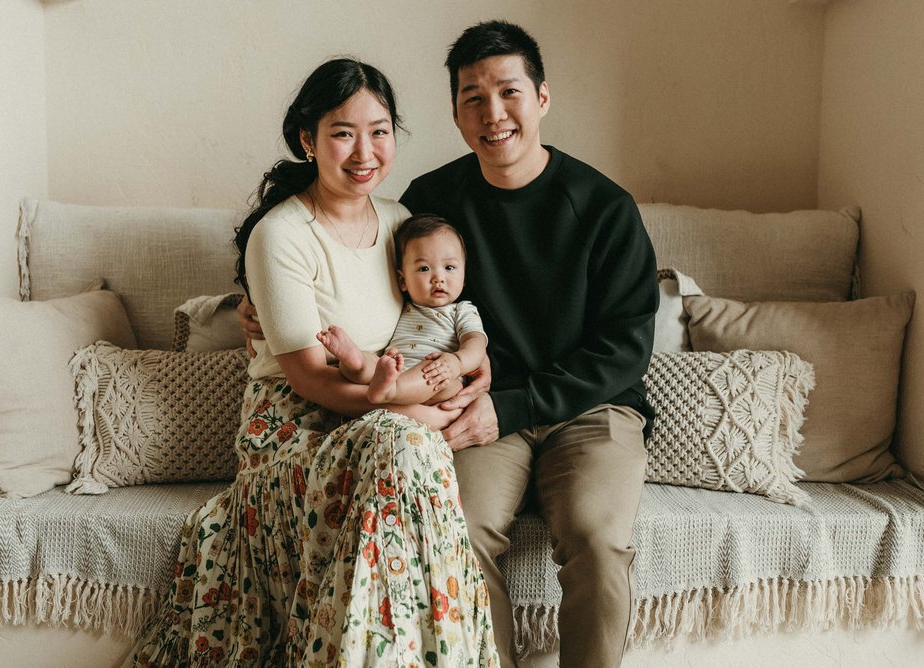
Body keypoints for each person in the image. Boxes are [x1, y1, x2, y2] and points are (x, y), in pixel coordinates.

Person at [239, 22, 658, 667]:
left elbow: (625, 350)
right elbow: (337, 254)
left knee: (597, 539)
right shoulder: (430, 202)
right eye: (472, 98)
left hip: (588, 407)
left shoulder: (604, 206)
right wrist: (252, 304)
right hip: (472, 408)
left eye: (508, 92)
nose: (493, 115)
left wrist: (513, 406)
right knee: (454, 532)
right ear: (455, 112)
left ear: (542, 97)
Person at [128, 58, 498, 667]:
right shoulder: (281, 235)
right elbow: (306, 376)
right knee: (404, 450)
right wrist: (409, 411)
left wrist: (465, 371)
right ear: (309, 140)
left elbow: (444, 321)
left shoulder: (404, 224)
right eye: (343, 132)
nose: (365, 151)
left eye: (379, 131)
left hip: (382, 413)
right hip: (294, 429)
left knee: (399, 455)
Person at [316, 213, 488, 406]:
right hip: (394, 368)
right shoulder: (399, 306)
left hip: (440, 375)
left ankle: (390, 391)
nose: (438, 277)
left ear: (464, 277)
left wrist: (457, 363)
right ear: (403, 281)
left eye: (449, 267)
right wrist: (371, 363)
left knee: (442, 379)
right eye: (424, 269)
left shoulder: (462, 310)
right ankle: (355, 361)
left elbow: (476, 343)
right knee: (372, 361)